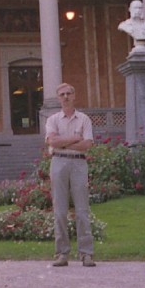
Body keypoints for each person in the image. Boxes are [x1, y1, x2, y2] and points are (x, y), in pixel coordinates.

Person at [45, 82, 96, 267]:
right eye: (62, 94)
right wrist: (75, 138)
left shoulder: (84, 119)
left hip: (79, 163)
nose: (65, 97)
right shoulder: (52, 120)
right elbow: (51, 140)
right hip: (58, 162)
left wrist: (62, 142)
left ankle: (86, 253)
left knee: (82, 209)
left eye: (68, 94)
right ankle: (62, 254)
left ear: (74, 96)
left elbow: (87, 144)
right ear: (58, 98)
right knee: (60, 210)